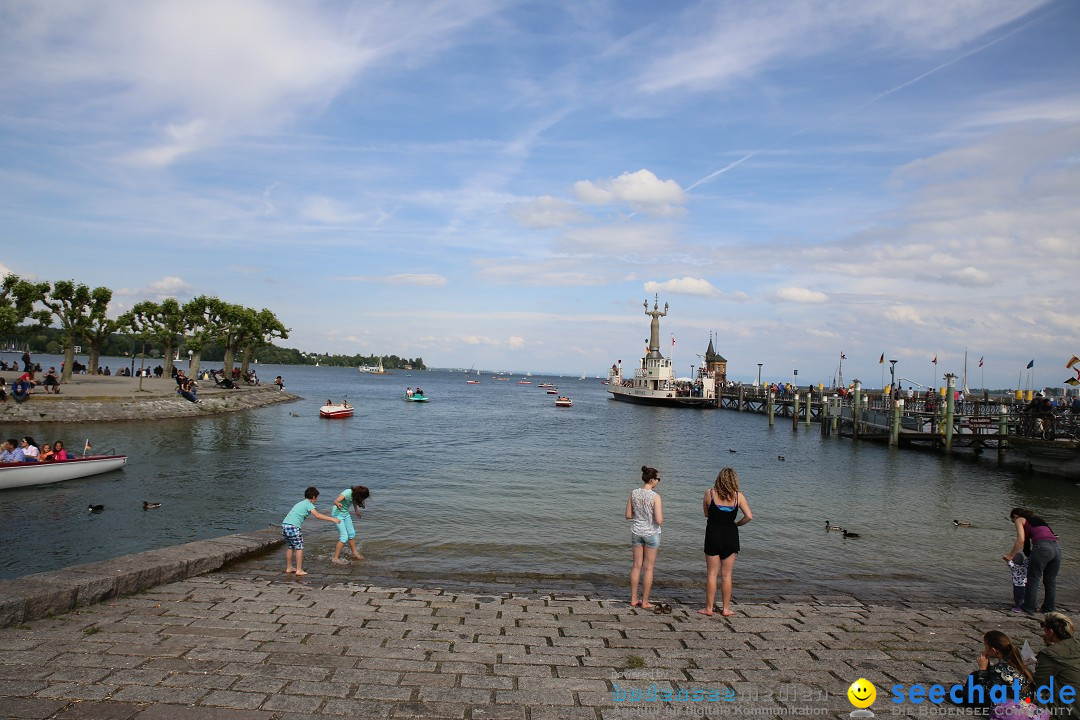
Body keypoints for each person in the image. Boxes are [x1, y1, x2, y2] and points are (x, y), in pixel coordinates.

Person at [699, 467, 752, 617]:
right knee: (727, 575)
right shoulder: (738, 496)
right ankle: (726, 609)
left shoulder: (709, 493)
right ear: (734, 480)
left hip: (713, 534)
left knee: (712, 574)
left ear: (719, 479)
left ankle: (709, 608)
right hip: (730, 535)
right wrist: (737, 524)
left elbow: (705, 514)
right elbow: (749, 516)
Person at [965, 630, 1043, 718]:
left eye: (986, 646)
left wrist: (982, 670)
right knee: (975, 675)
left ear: (993, 650)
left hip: (1007, 709)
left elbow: (986, 693)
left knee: (961, 691)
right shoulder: (1020, 666)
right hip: (1026, 705)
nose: (984, 649)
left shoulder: (999, 669)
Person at [1003, 508, 1061, 615]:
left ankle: (1029, 607)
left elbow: (1021, 539)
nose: (1014, 522)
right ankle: (1049, 608)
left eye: (1012, 520)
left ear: (1015, 516)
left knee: (1033, 579)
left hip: (1042, 548)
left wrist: (1011, 556)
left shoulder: (1019, 519)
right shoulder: (1037, 519)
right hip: (1056, 548)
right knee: (1050, 581)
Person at [625, 465, 663, 610]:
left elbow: (628, 515)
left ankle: (633, 599)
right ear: (652, 480)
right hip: (651, 534)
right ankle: (645, 601)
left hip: (636, 531)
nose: (659, 481)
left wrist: (639, 515)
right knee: (648, 568)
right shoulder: (655, 496)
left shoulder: (634, 493)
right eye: (658, 479)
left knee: (636, 566)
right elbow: (659, 521)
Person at [281, 486, 340, 576]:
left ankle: (289, 568)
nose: (316, 500)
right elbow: (317, 515)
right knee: (299, 548)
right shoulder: (309, 504)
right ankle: (299, 570)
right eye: (316, 498)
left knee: (290, 547)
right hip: (293, 527)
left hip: (285, 525)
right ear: (313, 497)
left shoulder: (300, 503)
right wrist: (333, 519)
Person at [1033, 612, 1080, 719]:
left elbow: (1038, 684)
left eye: (1045, 630)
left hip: (1070, 708)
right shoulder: (1076, 645)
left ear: (1050, 632)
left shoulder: (1049, 654)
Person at [330, 485, 370, 564]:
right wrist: (337, 503)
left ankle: (354, 553)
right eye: (363, 498)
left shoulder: (355, 495)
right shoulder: (347, 492)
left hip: (345, 514)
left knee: (351, 533)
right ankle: (335, 558)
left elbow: (354, 502)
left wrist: (356, 511)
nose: (363, 500)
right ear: (359, 495)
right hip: (337, 515)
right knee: (344, 537)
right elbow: (335, 501)